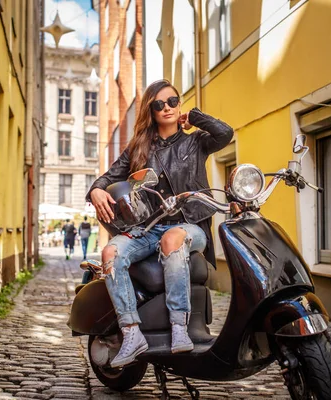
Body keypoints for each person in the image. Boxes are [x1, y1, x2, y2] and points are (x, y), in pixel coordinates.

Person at [87, 79, 233, 368]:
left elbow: (225, 133)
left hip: (190, 225)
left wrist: (195, 117)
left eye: (173, 102)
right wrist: (96, 189)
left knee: (172, 239)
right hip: (149, 228)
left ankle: (179, 326)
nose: (167, 108)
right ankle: (131, 334)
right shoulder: (140, 148)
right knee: (110, 254)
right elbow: (108, 177)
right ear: (150, 111)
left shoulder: (196, 141)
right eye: (159, 104)